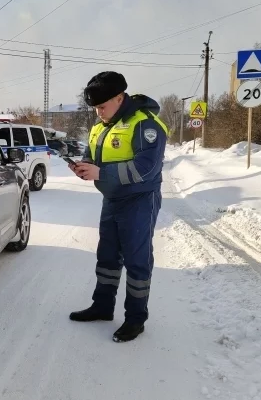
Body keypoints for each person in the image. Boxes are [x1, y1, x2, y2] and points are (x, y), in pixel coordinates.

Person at [69, 71, 167, 343]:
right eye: (95, 108)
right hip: (112, 199)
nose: (98, 112)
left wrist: (101, 173)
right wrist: (84, 167)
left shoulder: (145, 124)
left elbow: (146, 168)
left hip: (139, 201)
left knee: (137, 260)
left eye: (102, 106)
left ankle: (135, 319)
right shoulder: (100, 127)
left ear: (120, 98)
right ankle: (102, 306)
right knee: (108, 256)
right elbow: (92, 156)